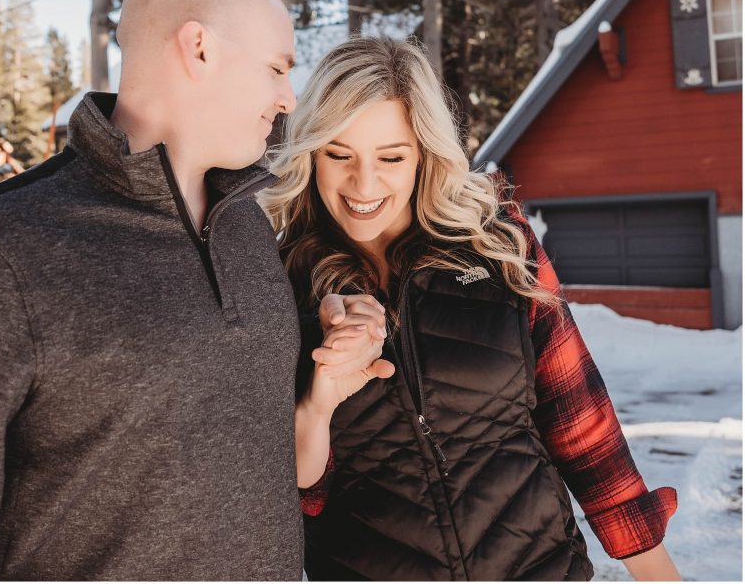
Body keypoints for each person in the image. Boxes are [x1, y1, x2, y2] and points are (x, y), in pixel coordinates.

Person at [0, 0, 387, 580]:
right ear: (200, 48)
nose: (289, 98)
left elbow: (258, 460)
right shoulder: (6, 244)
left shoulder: (248, 228)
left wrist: (323, 375)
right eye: (275, 68)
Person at [260, 36, 682, 581]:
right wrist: (320, 397)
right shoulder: (279, 278)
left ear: (424, 154)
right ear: (311, 154)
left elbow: (580, 422)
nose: (363, 184)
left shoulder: (499, 246)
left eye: (391, 157)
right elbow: (299, 495)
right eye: (338, 155)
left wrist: (657, 571)